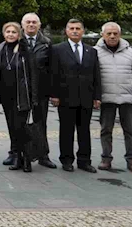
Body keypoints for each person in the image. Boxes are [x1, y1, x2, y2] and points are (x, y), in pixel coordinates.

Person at [95, 21, 132, 173]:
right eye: (109, 33)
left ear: (120, 34)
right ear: (103, 35)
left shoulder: (130, 52)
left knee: (130, 131)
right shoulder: (95, 52)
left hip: (128, 99)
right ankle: (106, 159)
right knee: (106, 130)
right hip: (106, 99)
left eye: (115, 33)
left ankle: (131, 160)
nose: (112, 36)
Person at [50, 19, 101, 173]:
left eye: (78, 28)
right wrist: (54, 95)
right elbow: (54, 73)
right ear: (66, 31)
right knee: (66, 131)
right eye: (71, 28)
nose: (75, 31)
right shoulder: (57, 49)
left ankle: (84, 161)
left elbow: (96, 75)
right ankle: (66, 160)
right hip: (66, 97)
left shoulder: (92, 51)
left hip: (86, 97)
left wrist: (97, 96)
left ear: (83, 31)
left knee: (84, 130)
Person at [0, 21, 38, 172]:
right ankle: (15, 155)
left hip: (22, 95)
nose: (10, 34)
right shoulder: (0, 50)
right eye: (8, 32)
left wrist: (34, 97)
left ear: (19, 34)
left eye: (13, 32)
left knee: (21, 128)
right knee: (12, 127)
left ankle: (26, 158)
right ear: (4, 34)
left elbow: (33, 74)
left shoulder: (25, 50)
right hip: (6, 96)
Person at [21, 12, 57, 169]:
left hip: (41, 91)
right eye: (28, 22)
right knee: (19, 124)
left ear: (39, 25)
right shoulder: (17, 41)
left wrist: (53, 92)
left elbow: (52, 69)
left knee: (40, 123)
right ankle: (18, 154)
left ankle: (43, 155)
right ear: (22, 25)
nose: (31, 24)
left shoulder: (46, 43)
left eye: (34, 22)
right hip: (21, 91)